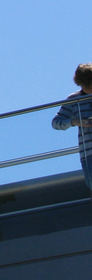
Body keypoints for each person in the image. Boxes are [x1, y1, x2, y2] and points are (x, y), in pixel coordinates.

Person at [51, 63, 92, 192]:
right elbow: (56, 122)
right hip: (89, 153)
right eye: (86, 86)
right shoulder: (73, 100)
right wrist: (74, 122)